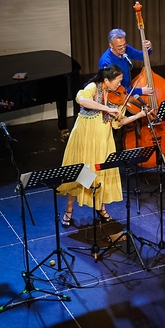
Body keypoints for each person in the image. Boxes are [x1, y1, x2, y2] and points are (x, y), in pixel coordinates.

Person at [58, 65, 148, 225]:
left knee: (101, 175)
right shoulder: (93, 88)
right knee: (79, 172)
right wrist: (106, 108)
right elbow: (81, 100)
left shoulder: (118, 97)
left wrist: (139, 115)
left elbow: (120, 122)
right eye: (117, 81)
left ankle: (101, 209)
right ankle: (69, 210)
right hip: (85, 138)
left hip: (103, 141)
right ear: (106, 80)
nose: (119, 85)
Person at [98, 28, 154, 98]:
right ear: (111, 45)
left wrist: (149, 48)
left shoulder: (126, 49)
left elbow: (142, 56)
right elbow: (114, 89)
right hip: (117, 96)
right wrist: (140, 91)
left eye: (124, 44)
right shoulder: (106, 62)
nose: (123, 48)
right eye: (119, 46)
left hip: (129, 91)